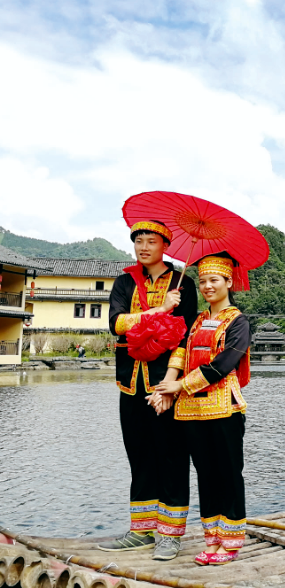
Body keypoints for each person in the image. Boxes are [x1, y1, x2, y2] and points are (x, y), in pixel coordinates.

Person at [100, 221, 197, 557]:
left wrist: (171, 385)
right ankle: (141, 529)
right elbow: (116, 323)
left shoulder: (185, 284)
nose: (143, 246)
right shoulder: (125, 281)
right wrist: (159, 309)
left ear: (165, 245)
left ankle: (169, 534)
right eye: (138, 240)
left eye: (151, 240)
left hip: (165, 382)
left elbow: (185, 338)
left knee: (171, 456)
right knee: (139, 456)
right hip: (130, 382)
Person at [154, 253, 252, 565]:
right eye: (204, 281)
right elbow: (181, 352)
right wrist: (165, 385)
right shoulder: (196, 320)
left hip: (224, 408)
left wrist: (180, 386)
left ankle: (231, 541)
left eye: (214, 280)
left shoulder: (238, 322)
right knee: (206, 475)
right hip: (192, 412)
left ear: (229, 282)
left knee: (229, 474)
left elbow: (223, 364)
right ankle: (212, 539)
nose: (208, 286)